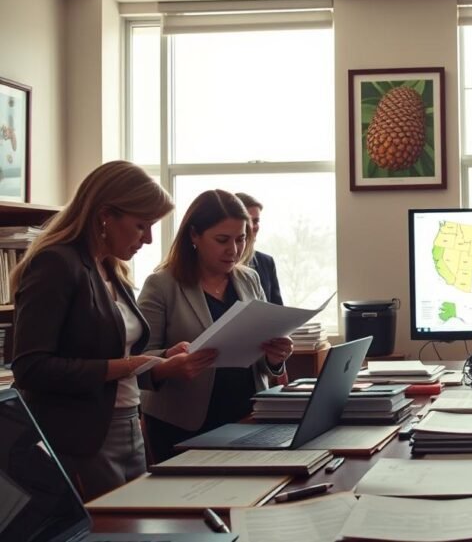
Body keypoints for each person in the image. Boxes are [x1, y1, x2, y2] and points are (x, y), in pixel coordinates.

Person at [9, 161, 215, 501]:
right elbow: (31, 368)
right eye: (141, 226)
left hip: (128, 424)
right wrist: (132, 365)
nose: (148, 239)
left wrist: (161, 362)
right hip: (80, 436)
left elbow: (114, 355)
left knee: (134, 525)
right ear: (105, 215)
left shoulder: (110, 268)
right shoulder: (56, 264)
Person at [139, 190, 293, 463]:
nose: (233, 250)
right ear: (194, 236)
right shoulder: (162, 285)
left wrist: (274, 358)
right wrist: (169, 361)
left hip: (248, 415)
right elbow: (138, 362)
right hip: (182, 423)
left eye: (241, 239)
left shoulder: (250, 278)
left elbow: (260, 357)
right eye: (222, 240)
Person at [235, 192, 283, 306]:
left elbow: (277, 310)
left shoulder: (266, 262)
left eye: (256, 221)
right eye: (248, 221)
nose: (252, 227)